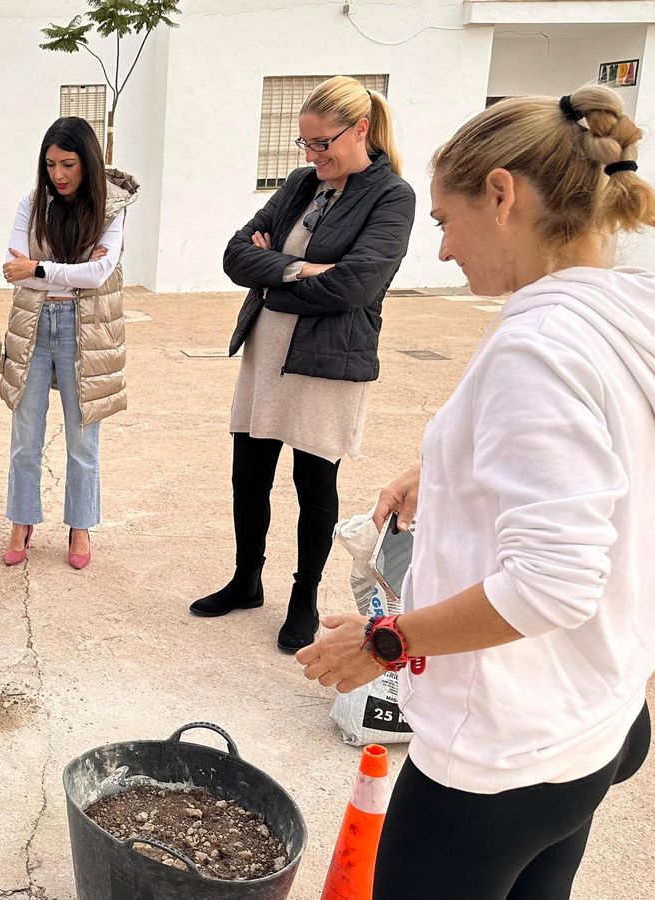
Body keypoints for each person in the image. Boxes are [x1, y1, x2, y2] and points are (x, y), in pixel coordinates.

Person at [298, 88, 655, 899]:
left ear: (502, 193)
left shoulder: (542, 345)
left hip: (502, 755)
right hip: (592, 720)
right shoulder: (635, 317)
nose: (444, 253)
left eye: (446, 221)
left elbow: (550, 582)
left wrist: (384, 641)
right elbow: (605, 468)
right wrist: (447, 472)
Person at [194, 76, 415, 654]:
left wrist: (277, 270)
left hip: (328, 358)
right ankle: (246, 581)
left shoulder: (392, 196)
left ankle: (303, 599)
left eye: (323, 143)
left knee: (315, 483)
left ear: (360, 129)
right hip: (267, 349)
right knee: (250, 473)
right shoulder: (299, 183)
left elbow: (357, 284)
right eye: (307, 144)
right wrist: (303, 270)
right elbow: (235, 255)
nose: (314, 155)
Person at [0, 116, 138, 571]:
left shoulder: (111, 209)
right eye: (51, 164)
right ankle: (22, 521)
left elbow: (97, 274)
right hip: (34, 326)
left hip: (87, 330)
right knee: (25, 436)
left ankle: (80, 528)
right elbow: (10, 266)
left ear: (88, 163)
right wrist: (65, 272)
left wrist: (40, 269)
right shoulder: (31, 204)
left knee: (82, 439)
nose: (58, 174)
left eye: (69, 164)